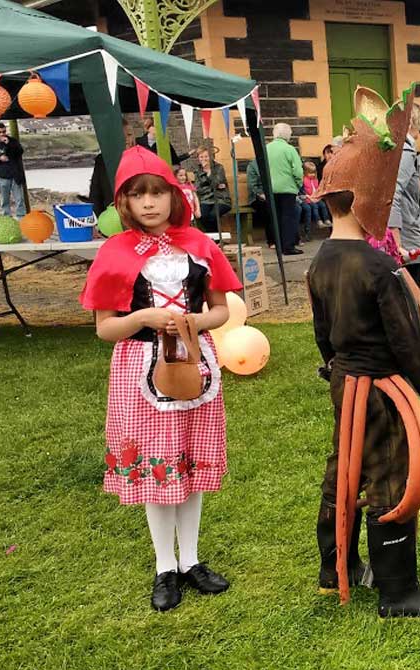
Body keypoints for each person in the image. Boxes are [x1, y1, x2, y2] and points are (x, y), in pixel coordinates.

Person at [307, 86, 420, 618]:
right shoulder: (380, 268)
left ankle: (335, 570)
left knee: (343, 470)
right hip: (381, 392)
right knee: (392, 475)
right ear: (373, 198)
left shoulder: (320, 260)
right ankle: (398, 592)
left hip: (344, 383)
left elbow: (323, 335)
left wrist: (337, 372)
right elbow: (408, 343)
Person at [78, 146, 242, 612]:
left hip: (194, 363)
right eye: (137, 194)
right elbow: (106, 327)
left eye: (157, 192)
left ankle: (190, 560)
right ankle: (163, 566)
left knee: (188, 465)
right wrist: (146, 317)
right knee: (159, 467)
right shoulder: (114, 252)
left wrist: (189, 322)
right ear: (124, 203)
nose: (149, 202)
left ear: (174, 195)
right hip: (139, 368)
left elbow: (221, 311)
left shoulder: (200, 245)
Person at [389, 103, 420, 286]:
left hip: (403, 227)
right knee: (410, 297)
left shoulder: (396, 148)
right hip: (404, 232)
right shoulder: (404, 150)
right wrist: (397, 245)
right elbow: (393, 194)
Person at [267, 122, 305, 255]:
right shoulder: (290, 149)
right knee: (288, 218)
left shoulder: (266, 148)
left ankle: (277, 245)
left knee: (276, 218)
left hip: (271, 189)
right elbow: (298, 171)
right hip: (287, 189)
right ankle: (288, 247)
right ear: (287, 135)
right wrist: (298, 184)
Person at [192, 145, 230, 235]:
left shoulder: (219, 167)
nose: (204, 159)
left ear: (210, 156)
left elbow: (217, 182)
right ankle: (215, 239)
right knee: (202, 215)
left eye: (206, 156)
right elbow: (198, 188)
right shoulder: (197, 170)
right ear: (198, 158)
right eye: (201, 157)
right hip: (206, 199)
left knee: (213, 215)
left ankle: (215, 239)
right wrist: (213, 185)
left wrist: (208, 173)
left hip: (221, 198)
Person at [245, 159, 276, 248]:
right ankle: (272, 240)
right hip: (257, 197)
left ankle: (291, 239)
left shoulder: (274, 162)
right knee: (268, 210)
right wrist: (261, 194)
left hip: (273, 194)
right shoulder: (253, 165)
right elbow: (252, 185)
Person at [300, 161, 331, 232]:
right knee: (315, 207)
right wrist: (308, 197)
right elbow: (303, 192)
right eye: (310, 173)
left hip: (316, 198)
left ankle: (326, 219)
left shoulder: (315, 180)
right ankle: (318, 220)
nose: (312, 174)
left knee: (323, 205)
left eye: (314, 173)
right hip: (309, 199)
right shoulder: (304, 180)